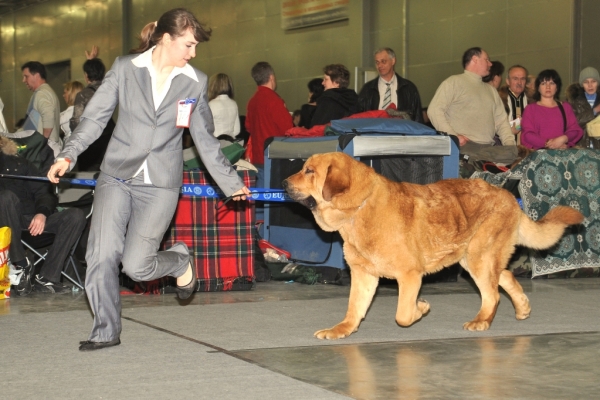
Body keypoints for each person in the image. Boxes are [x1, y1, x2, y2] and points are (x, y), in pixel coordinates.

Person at [47, 8, 250, 351]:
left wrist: (231, 182)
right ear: (166, 38)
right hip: (117, 175)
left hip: (159, 184)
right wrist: (69, 153)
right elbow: (95, 119)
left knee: (137, 267)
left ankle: (180, 260)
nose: (193, 53)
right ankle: (106, 330)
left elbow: (204, 138)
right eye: (188, 45)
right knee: (100, 254)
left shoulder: (195, 82)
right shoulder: (125, 69)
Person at [0, 136, 86, 295]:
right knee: (4, 197)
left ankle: (48, 277)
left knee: (75, 215)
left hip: (28, 220)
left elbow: (44, 193)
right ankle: (20, 264)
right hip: (3, 227)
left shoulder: (20, 164)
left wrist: (41, 213)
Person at [427, 47, 518, 164]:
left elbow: (501, 121)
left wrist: (510, 145)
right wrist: (453, 137)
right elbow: (434, 111)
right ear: (475, 59)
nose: (490, 64)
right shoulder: (453, 82)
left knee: (516, 157)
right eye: (487, 59)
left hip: (488, 151)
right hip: (465, 150)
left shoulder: (491, 91)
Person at [245, 61, 293, 188]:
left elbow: (248, 126)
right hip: (274, 156)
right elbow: (288, 129)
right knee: (274, 197)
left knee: (261, 194)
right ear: (271, 77)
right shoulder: (274, 100)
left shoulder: (252, 101)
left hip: (257, 156)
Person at [355, 47, 423, 123]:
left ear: (393, 61)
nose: (380, 65)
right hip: (374, 133)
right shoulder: (367, 89)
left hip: (401, 132)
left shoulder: (409, 88)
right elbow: (358, 118)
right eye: (377, 62)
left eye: (383, 61)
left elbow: (418, 119)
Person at [521, 69, 583, 150]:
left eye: (552, 83)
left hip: (563, 154)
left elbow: (575, 130)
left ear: (557, 87)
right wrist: (549, 144)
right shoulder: (530, 109)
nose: (548, 87)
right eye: (543, 83)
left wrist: (563, 139)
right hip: (539, 155)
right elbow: (527, 135)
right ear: (538, 88)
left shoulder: (565, 107)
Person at [21, 61, 61, 150]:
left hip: (45, 150)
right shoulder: (46, 91)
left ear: (37, 75)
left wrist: (42, 144)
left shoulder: (41, 93)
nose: (23, 80)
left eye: (26, 76)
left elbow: (48, 115)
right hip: (49, 148)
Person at [69, 58, 107, 132]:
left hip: (92, 137)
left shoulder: (83, 95)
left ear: (86, 75)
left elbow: (76, 122)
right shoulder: (109, 91)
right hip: (109, 135)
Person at [566, 67, 600, 147]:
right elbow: (573, 123)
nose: (590, 85)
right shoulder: (573, 101)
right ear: (582, 84)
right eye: (586, 82)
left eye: (593, 81)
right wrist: (595, 111)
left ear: (598, 83)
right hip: (581, 147)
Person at [498, 65, 529, 143]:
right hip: (504, 145)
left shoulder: (533, 100)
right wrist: (509, 132)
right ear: (508, 81)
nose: (519, 82)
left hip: (528, 147)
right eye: (515, 79)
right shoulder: (498, 99)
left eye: (522, 79)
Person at [207, 73, 240, 140]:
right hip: (230, 144)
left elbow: (206, 129)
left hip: (215, 144)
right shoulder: (233, 103)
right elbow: (237, 130)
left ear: (213, 86)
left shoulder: (211, 104)